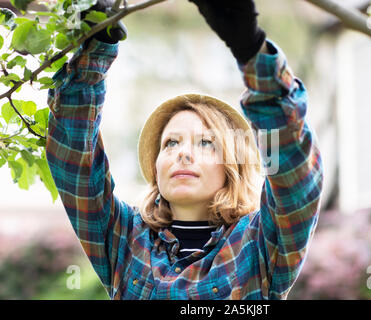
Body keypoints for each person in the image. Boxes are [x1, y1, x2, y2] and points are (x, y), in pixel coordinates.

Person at [46, 0, 324, 300]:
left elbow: (294, 179)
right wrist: (97, 41)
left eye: (205, 143)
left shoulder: (259, 243)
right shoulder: (124, 239)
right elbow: (73, 157)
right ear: (156, 167)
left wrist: (252, 50)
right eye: (171, 143)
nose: (183, 153)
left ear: (233, 165)